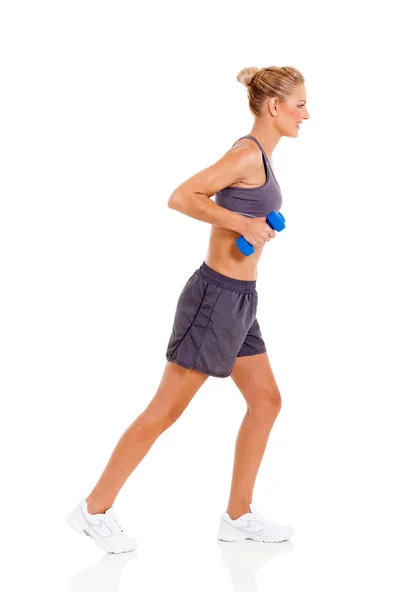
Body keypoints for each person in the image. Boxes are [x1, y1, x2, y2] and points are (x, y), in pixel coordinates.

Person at [65, 65, 310, 553]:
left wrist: (247, 224)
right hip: (215, 299)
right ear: (275, 106)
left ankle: (237, 516)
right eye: (301, 104)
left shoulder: (262, 156)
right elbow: (182, 196)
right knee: (165, 411)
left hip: (242, 301)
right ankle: (93, 509)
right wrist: (243, 221)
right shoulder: (244, 154)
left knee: (266, 401)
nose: (308, 114)